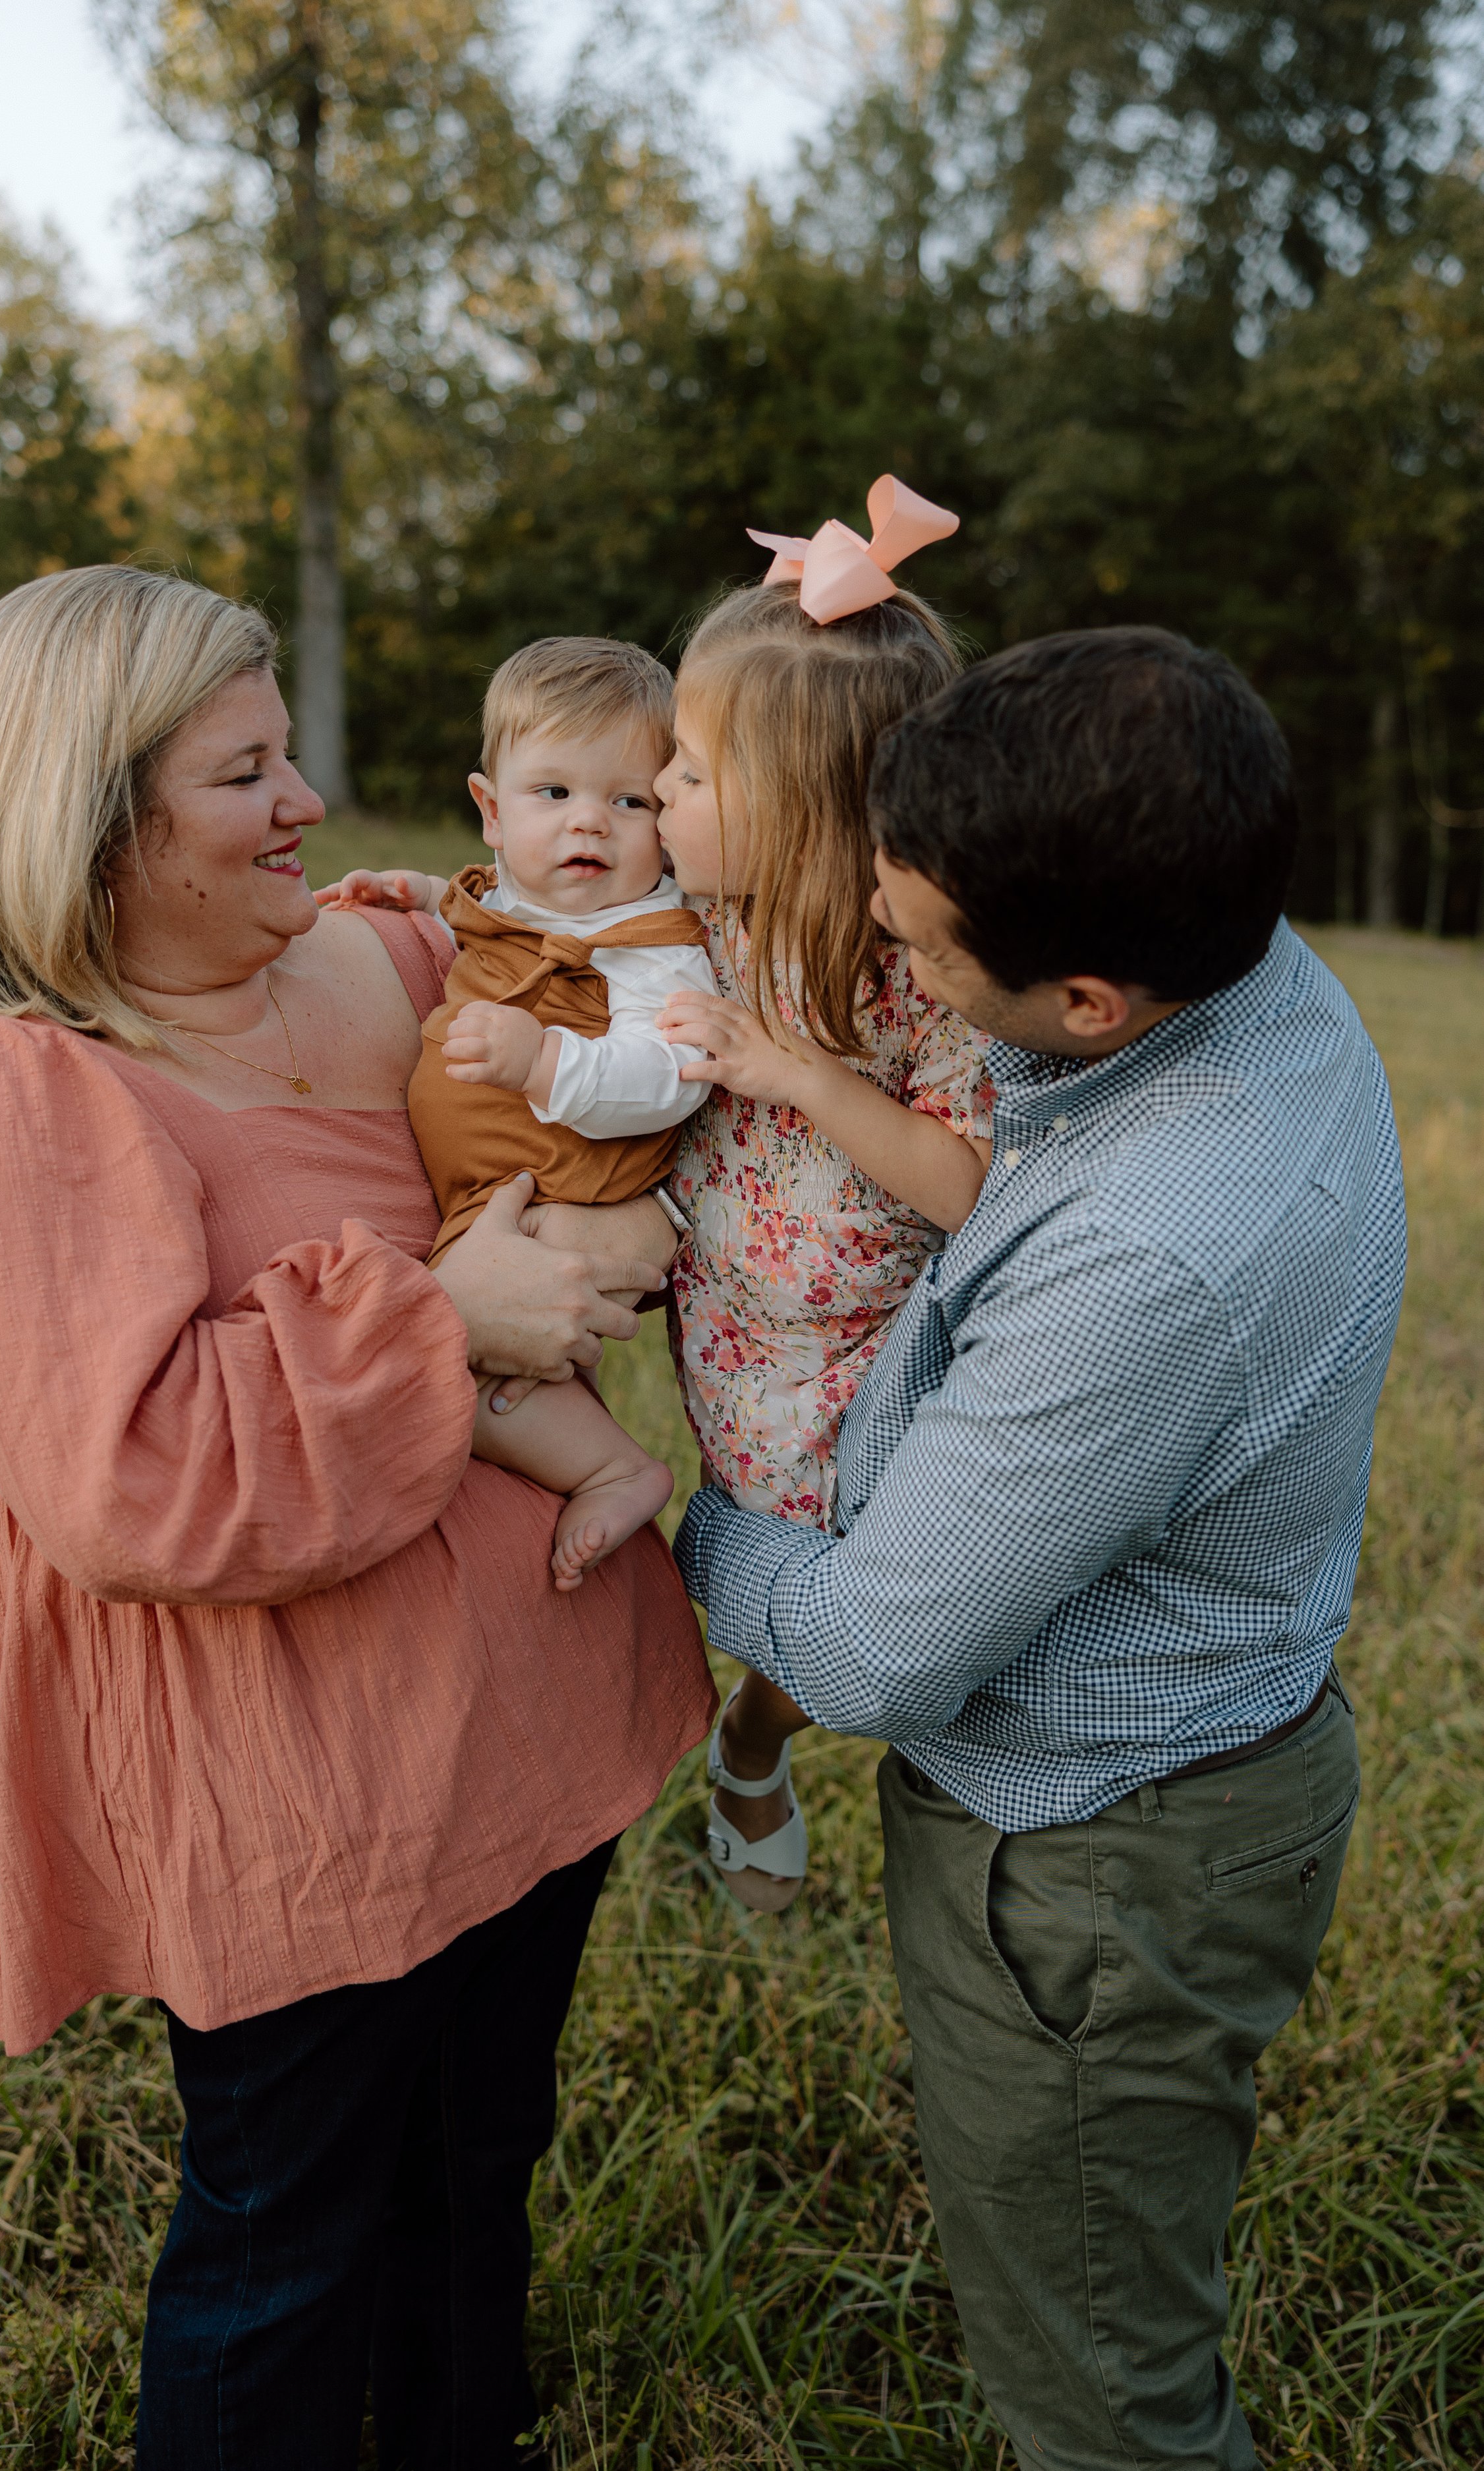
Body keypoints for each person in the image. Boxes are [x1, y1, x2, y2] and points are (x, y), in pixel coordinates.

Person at [0, 565, 714, 2471]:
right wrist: (443, 1317)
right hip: (303, 1782)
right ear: (90, 818)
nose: (308, 802)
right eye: (245, 770)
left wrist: (635, 1211)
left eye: (287, 753)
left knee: (477, 2155)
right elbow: (126, 1473)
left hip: (530, 1715)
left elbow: (634, 1067)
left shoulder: (381, 954)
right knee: (288, 2223)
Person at [674, 625, 1406, 2469]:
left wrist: (654, 1501)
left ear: (1085, 1000)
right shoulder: (1224, 937)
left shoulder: (1148, 1256)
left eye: (916, 950)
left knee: (1104, 2399)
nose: (884, 955)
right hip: (1165, 1801)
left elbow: (864, 1652)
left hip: (1090, 1867)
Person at [652, 483, 995, 1911]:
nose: (653, 794)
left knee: (854, 1633)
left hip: (871, 1374)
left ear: (794, 811)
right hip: (730, 1342)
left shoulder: (928, 977)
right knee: (785, 1603)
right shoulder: (693, 918)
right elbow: (531, 914)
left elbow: (968, 1187)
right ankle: (742, 1723)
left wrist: (799, 1076)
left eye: (683, 770)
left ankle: (751, 1738)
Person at [316, 635, 721, 1589]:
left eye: (628, 800)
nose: (591, 824)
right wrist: (414, 896)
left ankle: (617, 1467)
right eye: (555, 795)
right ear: (492, 813)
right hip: (498, 1179)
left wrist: (546, 1057)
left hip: (573, 1178)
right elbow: (483, 912)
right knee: (470, 1338)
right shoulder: (515, 897)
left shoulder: (648, 940)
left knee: (486, 1362)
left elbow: (670, 1073)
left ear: (665, 818)